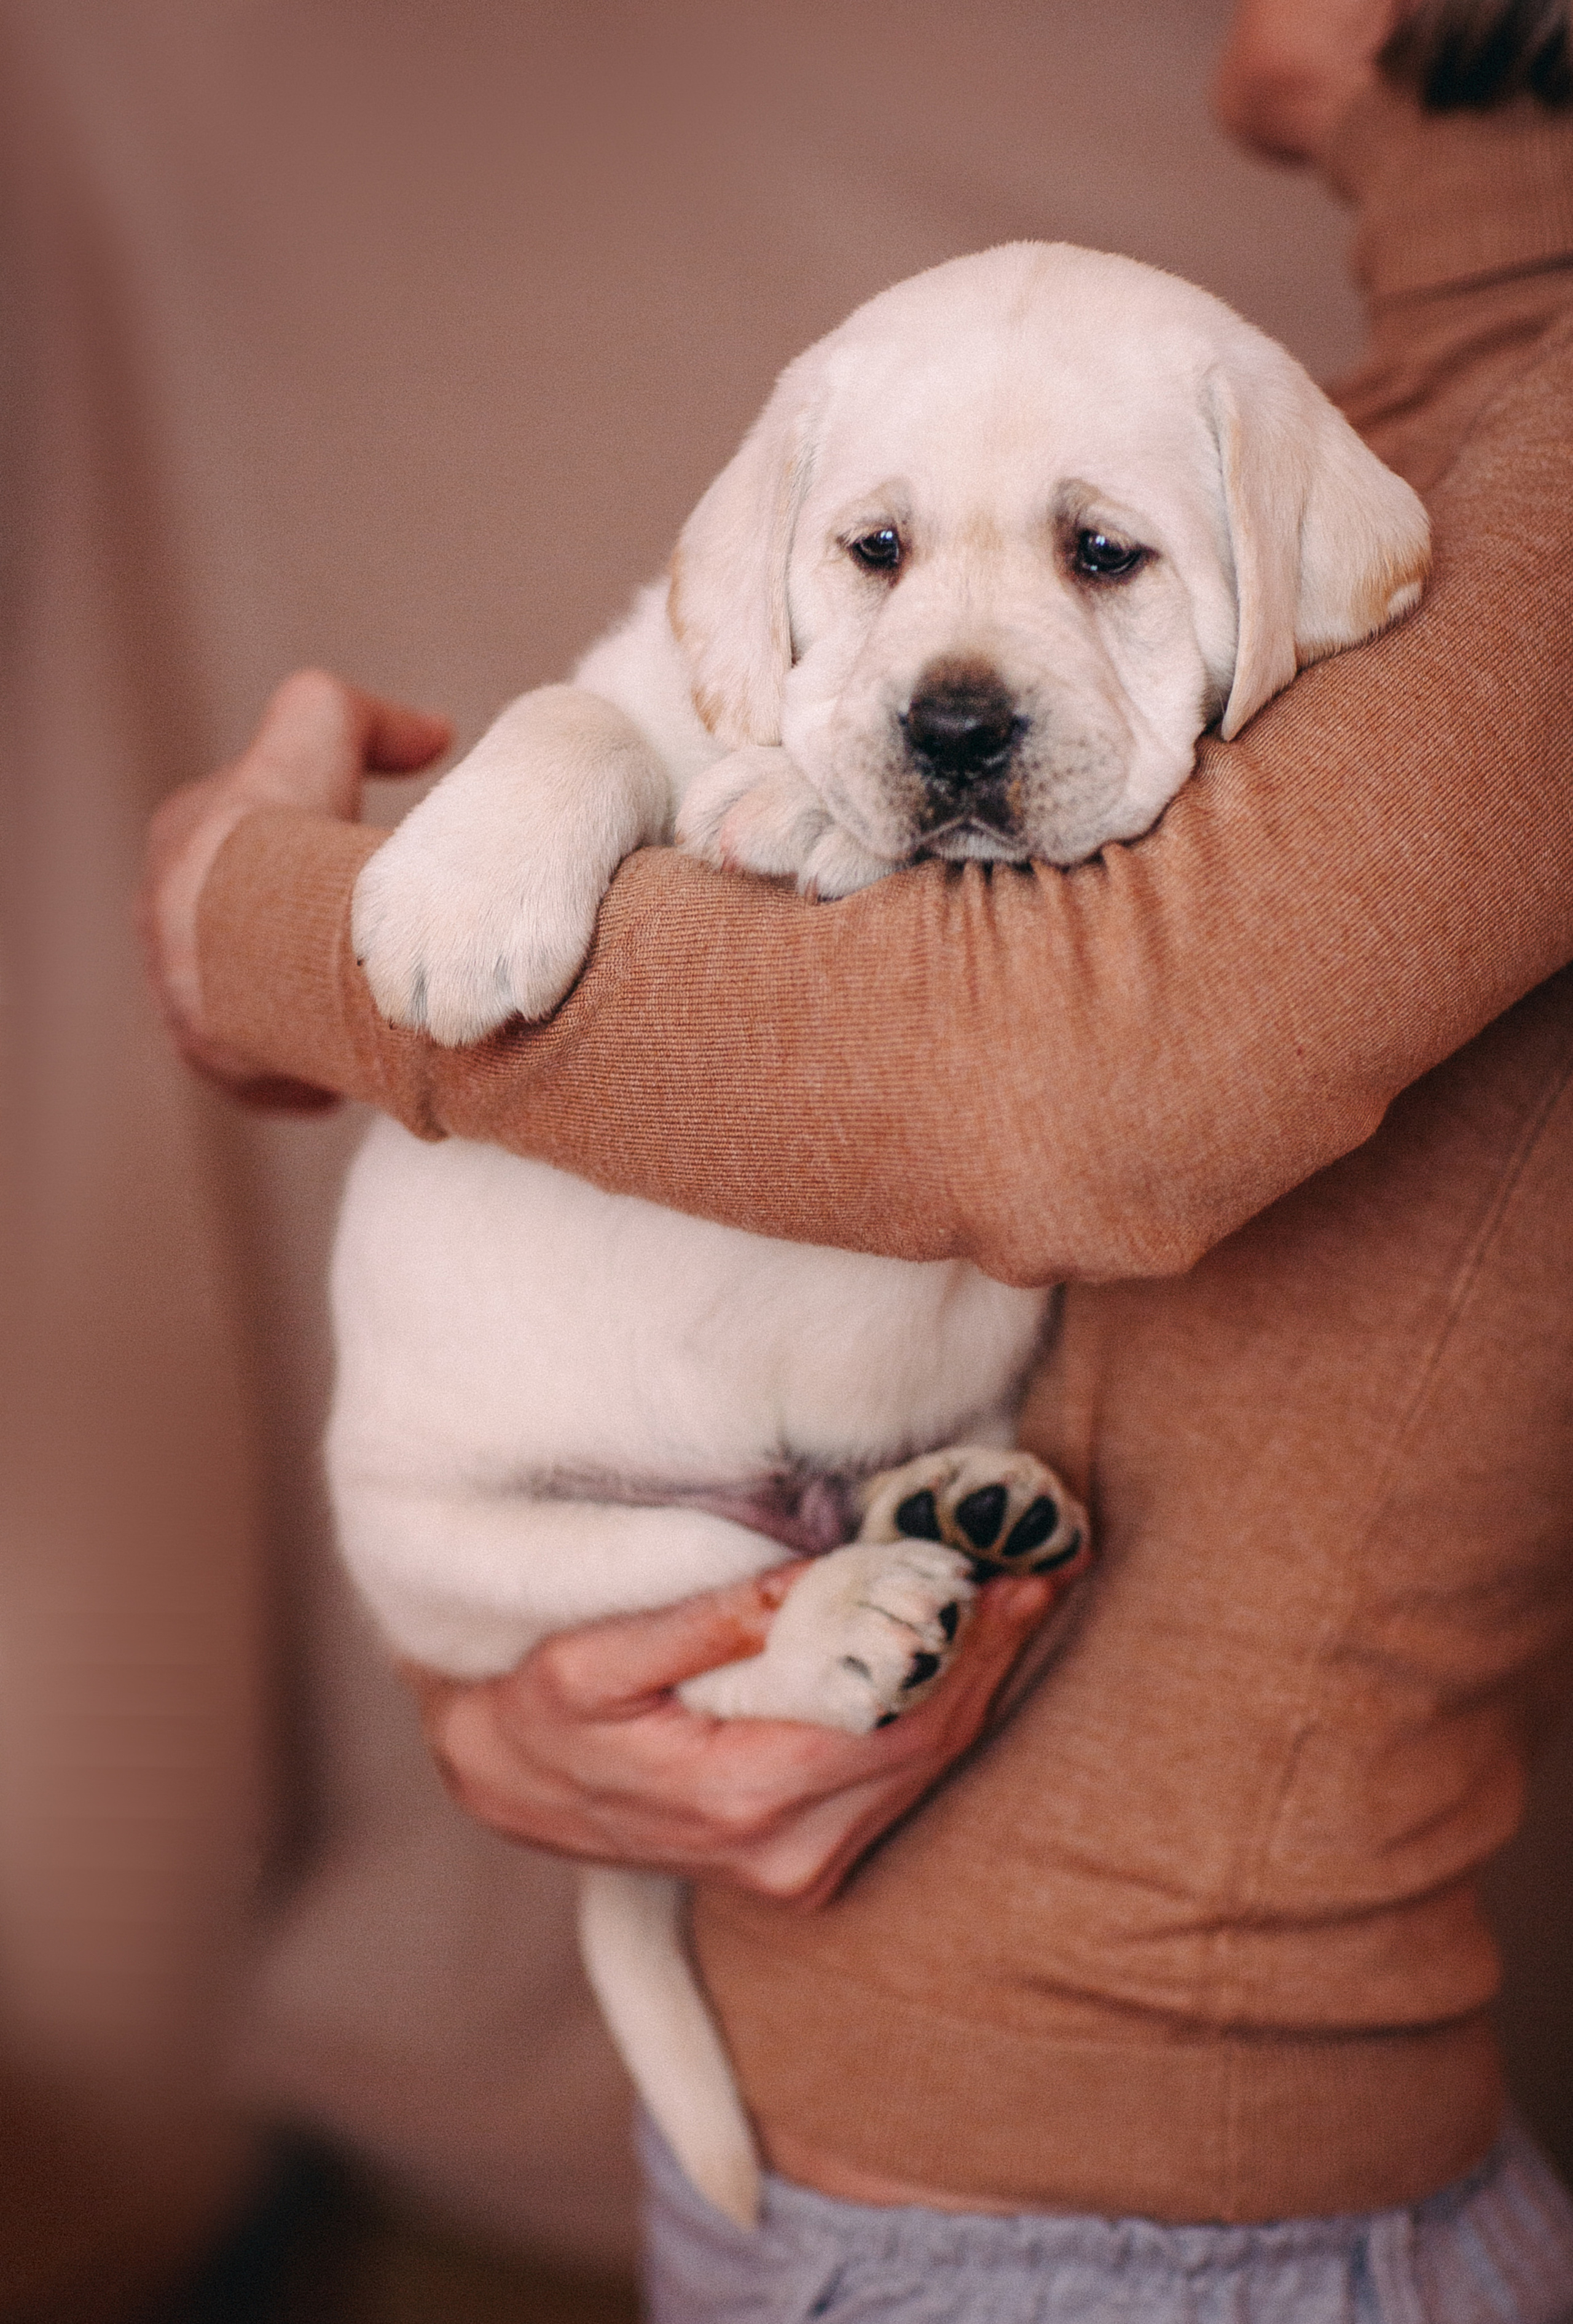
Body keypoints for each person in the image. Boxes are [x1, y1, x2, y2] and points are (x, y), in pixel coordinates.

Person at [143, 0, 1573, 2315]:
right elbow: (789, 1085)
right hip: (795, 2160)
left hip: (1184, 2232)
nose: (960, 679)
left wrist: (253, 920)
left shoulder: (1481, 492)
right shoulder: (1331, 409)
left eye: (1107, 558)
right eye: (887, 555)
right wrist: (531, 1688)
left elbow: (1058, 1094)